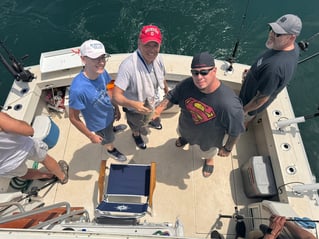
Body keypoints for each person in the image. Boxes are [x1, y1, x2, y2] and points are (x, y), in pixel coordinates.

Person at [154, 52, 245, 177]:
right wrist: (158, 109)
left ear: (214, 71)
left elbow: (236, 131)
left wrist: (227, 148)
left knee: (207, 153)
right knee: (181, 134)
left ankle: (209, 159)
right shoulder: (187, 84)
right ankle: (184, 139)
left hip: (208, 140)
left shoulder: (229, 105)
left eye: (204, 72)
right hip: (185, 127)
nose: (199, 77)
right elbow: (172, 96)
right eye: (195, 72)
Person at [239, 14, 302, 127]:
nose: (271, 34)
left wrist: (244, 110)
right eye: (272, 29)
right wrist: (253, 72)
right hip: (254, 83)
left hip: (250, 100)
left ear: (292, 38)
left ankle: (243, 126)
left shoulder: (274, 69)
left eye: (277, 34)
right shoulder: (294, 47)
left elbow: (261, 99)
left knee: (243, 119)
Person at [69, 39, 126, 162]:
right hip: (99, 124)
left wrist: (116, 107)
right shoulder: (77, 90)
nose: (101, 63)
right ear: (84, 59)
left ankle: (112, 130)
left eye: (102, 57)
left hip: (109, 114)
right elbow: (73, 118)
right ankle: (111, 150)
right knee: (108, 140)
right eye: (95, 58)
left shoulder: (101, 72)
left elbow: (108, 89)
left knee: (109, 128)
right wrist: (90, 135)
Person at [112, 24, 168, 150]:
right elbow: (116, 96)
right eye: (147, 44)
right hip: (134, 109)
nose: (151, 50)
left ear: (160, 45)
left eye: (155, 45)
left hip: (153, 101)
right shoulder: (128, 66)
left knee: (153, 116)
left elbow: (162, 77)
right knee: (136, 124)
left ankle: (152, 121)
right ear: (139, 43)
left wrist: (166, 91)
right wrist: (133, 104)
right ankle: (136, 135)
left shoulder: (158, 58)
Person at [0, 111, 68, 184]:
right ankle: (62, 177)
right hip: (24, 147)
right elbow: (29, 131)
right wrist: (8, 118)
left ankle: (47, 176)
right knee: (45, 159)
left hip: (4, 165)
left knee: (23, 173)